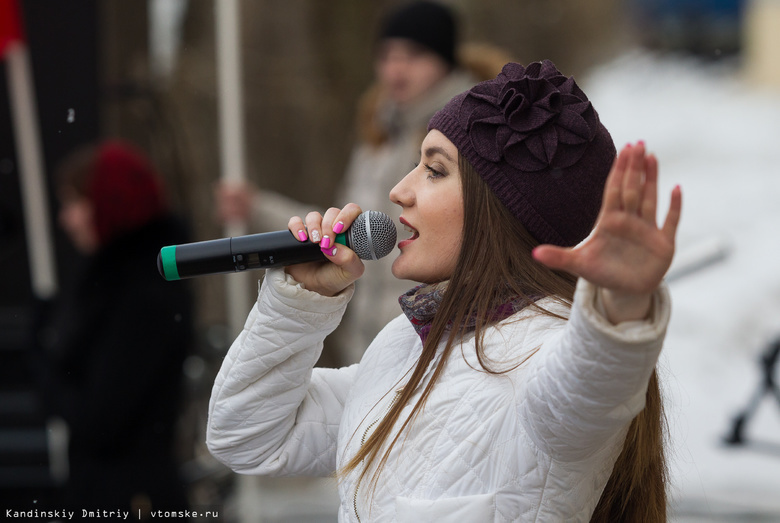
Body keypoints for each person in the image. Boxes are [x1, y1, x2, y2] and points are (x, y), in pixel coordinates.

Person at [206, 60, 682, 521]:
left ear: (497, 209)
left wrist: (621, 307)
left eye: (434, 170)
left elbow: (590, 387)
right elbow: (248, 436)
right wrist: (297, 305)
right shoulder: (402, 346)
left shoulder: (542, 352)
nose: (399, 191)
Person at [216, 0, 512, 365]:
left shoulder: (474, 137)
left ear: (445, 60)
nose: (396, 68)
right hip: (369, 356)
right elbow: (344, 230)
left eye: (414, 54)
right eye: (387, 55)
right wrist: (257, 208)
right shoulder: (375, 144)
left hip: (439, 351)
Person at [39, 140, 193, 513]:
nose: (67, 219)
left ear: (109, 202)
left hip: (132, 501)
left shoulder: (143, 294)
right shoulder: (116, 282)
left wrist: (42, 363)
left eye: (75, 202)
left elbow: (101, 418)